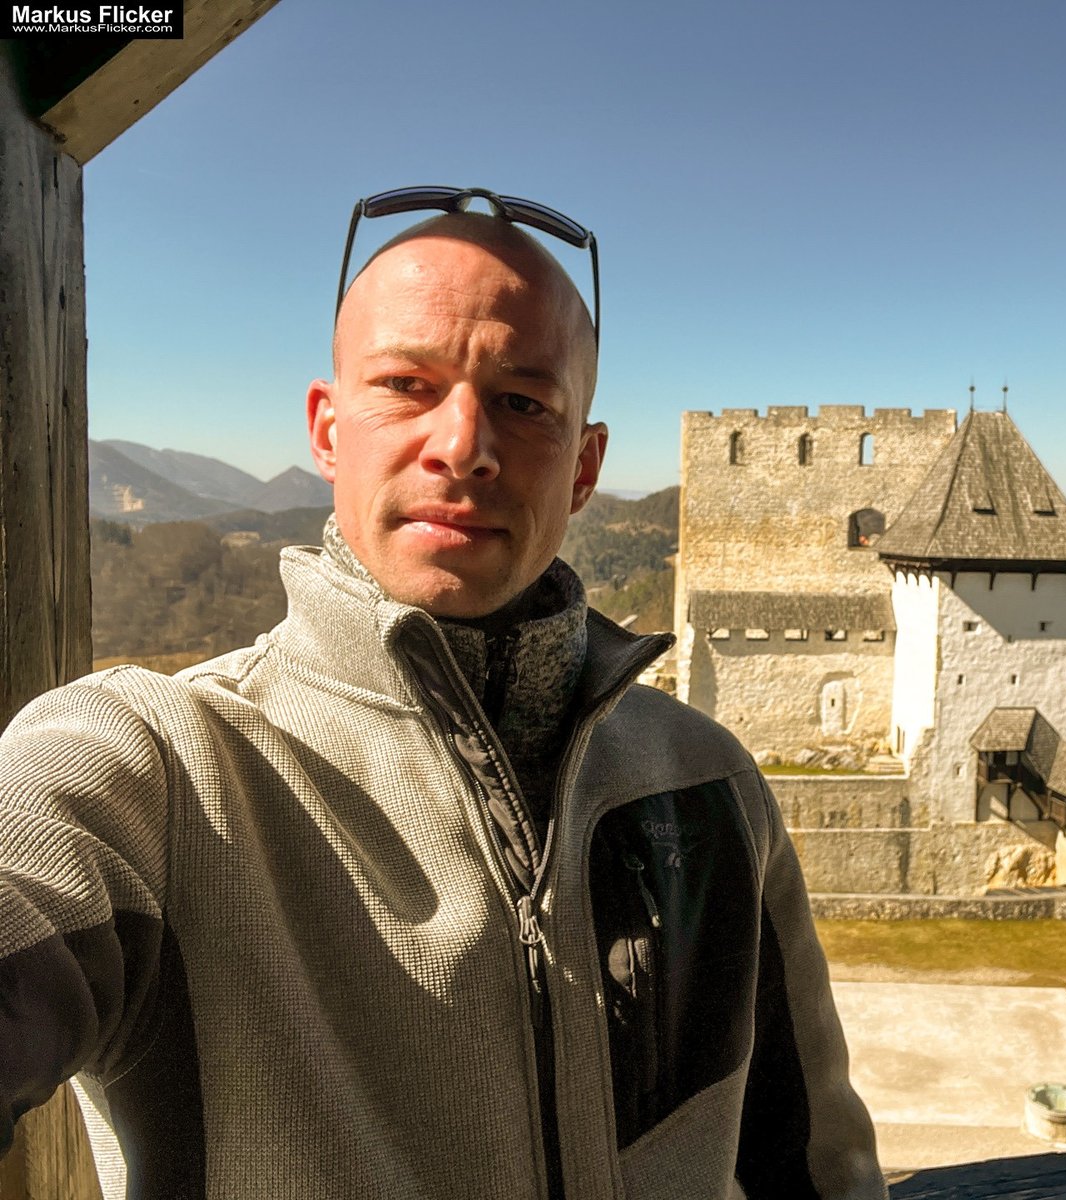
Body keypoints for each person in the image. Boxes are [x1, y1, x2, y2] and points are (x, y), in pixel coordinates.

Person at [0, 190, 885, 1199]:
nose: (462, 445)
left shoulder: (705, 781)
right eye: (407, 385)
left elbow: (813, 1168)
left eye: (523, 402)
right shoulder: (158, 767)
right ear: (328, 431)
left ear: (585, 465)